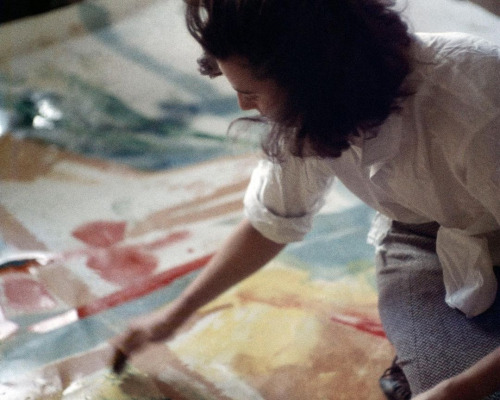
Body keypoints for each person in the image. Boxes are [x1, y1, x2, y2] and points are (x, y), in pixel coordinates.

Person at [111, 0, 500, 398]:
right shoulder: (311, 114)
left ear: (313, 81)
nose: (244, 106)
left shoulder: (476, 106)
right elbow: (270, 222)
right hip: (424, 240)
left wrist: (461, 387)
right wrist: (173, 314)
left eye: (249, 92)